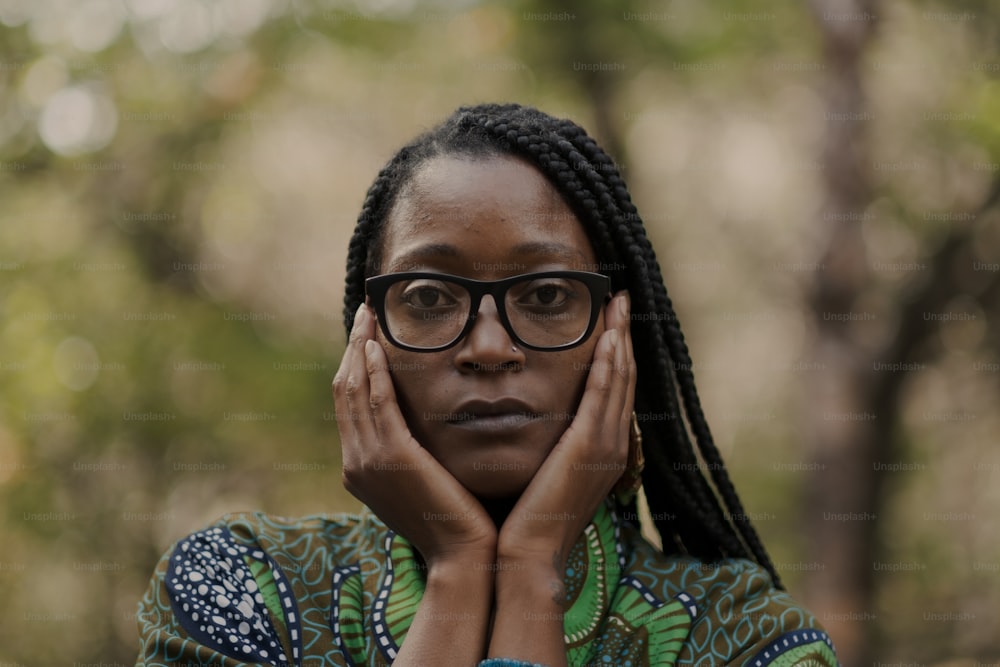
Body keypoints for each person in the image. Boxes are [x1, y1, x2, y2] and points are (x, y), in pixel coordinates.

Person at [135, 103, 838, 666]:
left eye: (548, 294)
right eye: (431, 297)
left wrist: (532, 568)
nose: (490, 347)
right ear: (367, 339)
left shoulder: (747, 641)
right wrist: (457, 571)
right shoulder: (237, 590)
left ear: (617, 334)